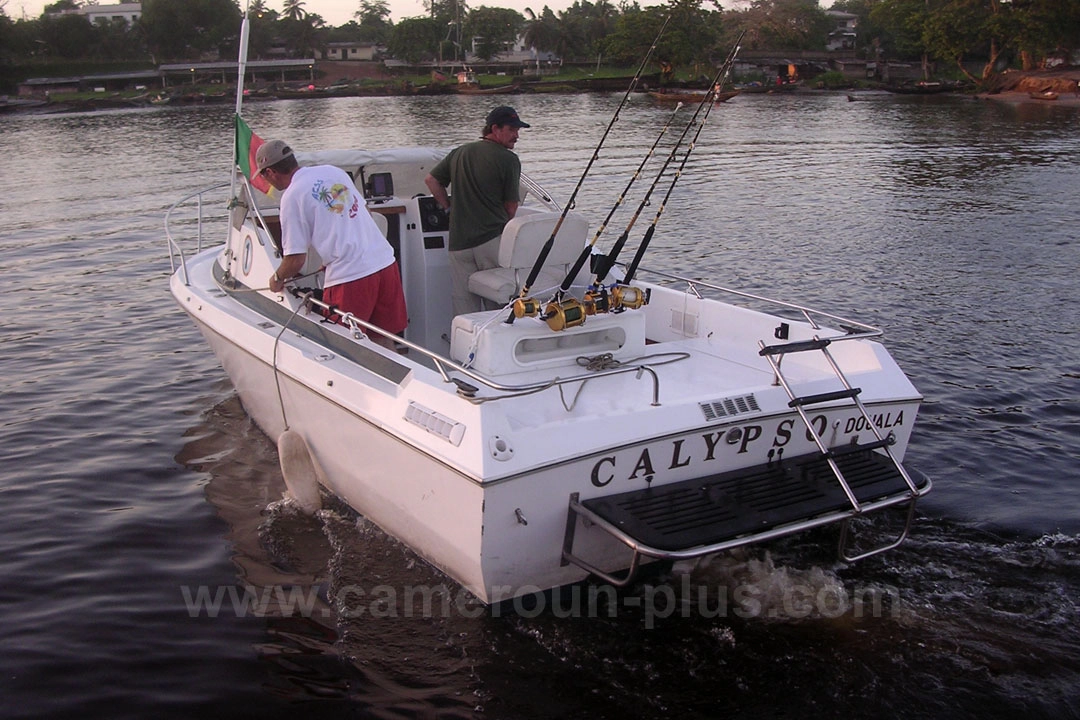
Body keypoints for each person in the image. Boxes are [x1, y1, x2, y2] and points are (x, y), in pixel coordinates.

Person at [256, 139, 407, 348]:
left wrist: (277, 278)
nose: (266, 181)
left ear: (271, 172)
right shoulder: (332, 171)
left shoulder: (292, 196)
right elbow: (363, 213)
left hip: (351, 278)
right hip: (385, 264)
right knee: (382, 339)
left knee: (343, 346)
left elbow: (295, 259)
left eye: (263, 175)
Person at [424, 105, 530, 316]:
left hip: (459, 244)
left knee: (464, 302)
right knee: (498, 299)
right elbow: (511, 205)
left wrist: (448, 208)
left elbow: (432, 180)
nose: (516, 136)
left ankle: (465, 346)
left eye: (518, 130)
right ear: (495, 128)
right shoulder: (508, 159)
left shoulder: (460, 152)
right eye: (512, 129)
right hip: (491, 240)